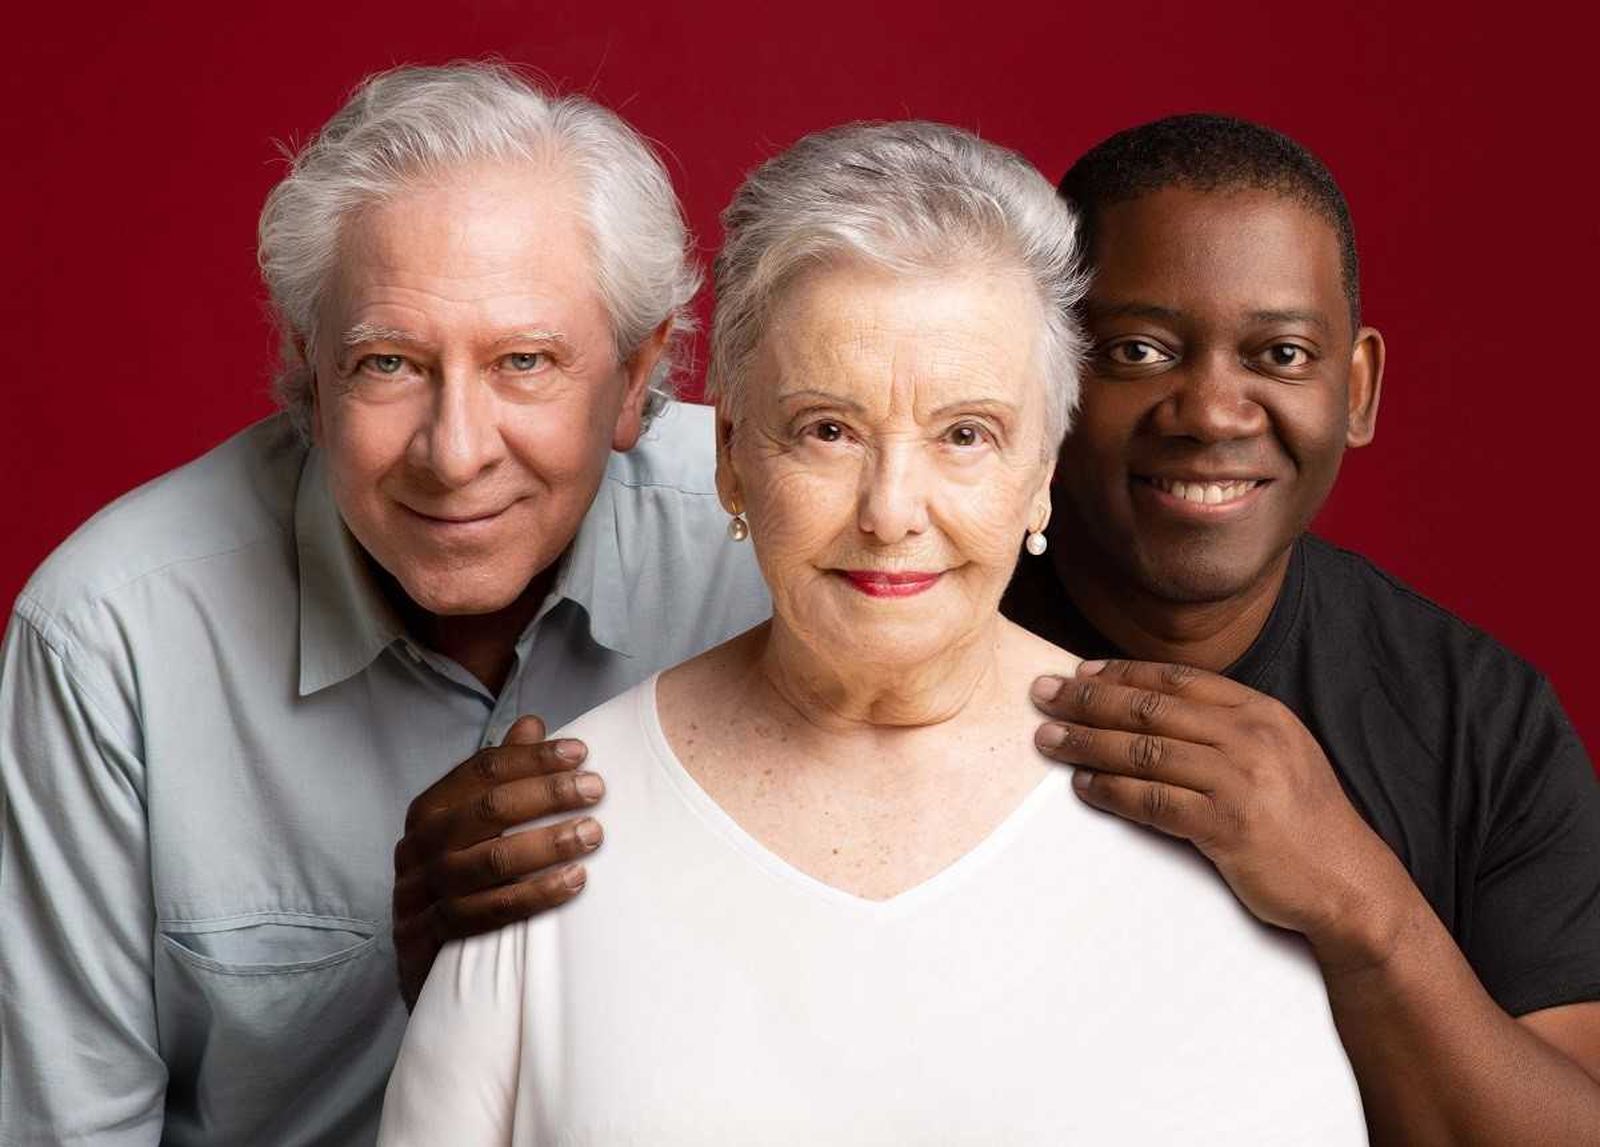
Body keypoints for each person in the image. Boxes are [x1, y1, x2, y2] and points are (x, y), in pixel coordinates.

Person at [376, 120, 1368, 1144]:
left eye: (965, 434)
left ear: (1041, 471)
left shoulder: (1199, 831)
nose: (891, 510)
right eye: (828, 429)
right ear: (730, 456)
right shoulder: (549, 837)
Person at [0, 64, 769, 1145]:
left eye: (525, 361)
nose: (455, 454)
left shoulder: (777, 547)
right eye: (390, 362)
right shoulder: (106, 640)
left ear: (638, 378)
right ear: (311, 373)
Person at [1012, 115, 1600, 1141]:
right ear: (1048, 373)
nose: (1211, 411)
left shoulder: (1481, 719)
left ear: (1356, 388)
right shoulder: (916, 646)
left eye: (1278, 353)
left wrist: (1358, 901)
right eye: (1138, 349)